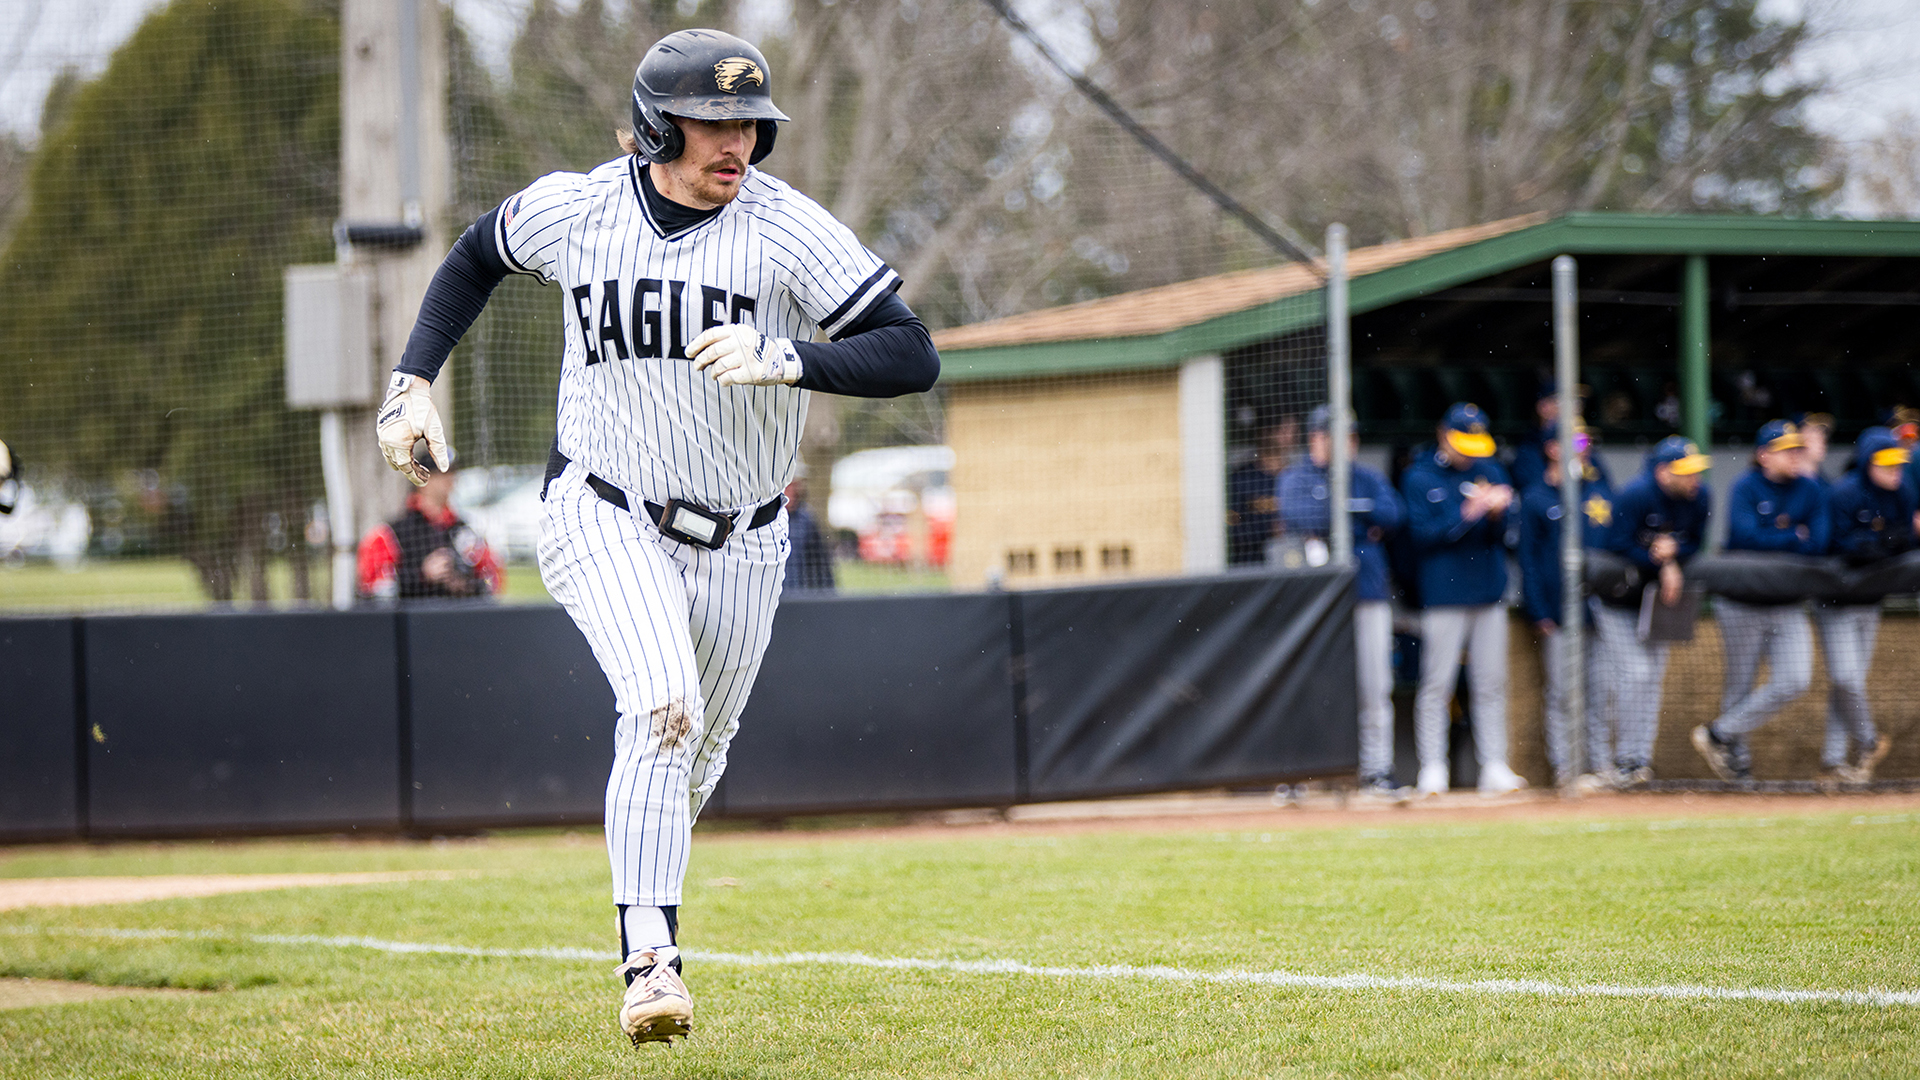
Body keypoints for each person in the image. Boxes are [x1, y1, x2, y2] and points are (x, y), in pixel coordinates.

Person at [372, 28, 939, 1047]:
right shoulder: (581, 210)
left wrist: (788, 359)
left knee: (699, 750)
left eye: (751, 124)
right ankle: (649, 962)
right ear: (651, 124)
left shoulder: (782, 229)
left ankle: (651, 900)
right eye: (713, 121)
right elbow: (473, 256)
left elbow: (911, 353)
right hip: (604, 508)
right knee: (663, 708)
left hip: (748, 536)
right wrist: (411, 381)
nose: (738, 142)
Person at [1400, 403, 1527, 797]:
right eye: (1463, 443)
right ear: (1443, 434)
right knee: (1437, 684)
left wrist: (1499, 514)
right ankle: (1433, 769)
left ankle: (1494, 766)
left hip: (1488, 590)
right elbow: (1421, 536)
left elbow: (1508, 534)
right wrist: (1469, 513)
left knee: (1490, 683)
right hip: (1444, 594)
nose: (1470, 453)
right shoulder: (1420, 475)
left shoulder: (1490, 469)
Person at [1278, 405, 1404, 796]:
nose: (1349, 444)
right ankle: (1298, 772)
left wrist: (1346, 512)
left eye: (1352, 437)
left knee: (1374, 686)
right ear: (1317, 438)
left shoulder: (1365, 476)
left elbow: (1394, 514)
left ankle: (1377, 769)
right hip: (1315, 604)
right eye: (1339, 436)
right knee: (1310, 686)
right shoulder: (1296, 476)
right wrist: (1359, 518)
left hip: (1367, 594)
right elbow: (1301, 516)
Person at [1693, 421, 1828, 782]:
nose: (1795, 455)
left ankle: (1719, 733)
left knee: (1795, 679)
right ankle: (1737, 767)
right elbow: (1745, 536)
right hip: (1742, 602)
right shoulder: (1746, 486)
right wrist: (1792, 535)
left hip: (1787, 601)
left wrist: (1779, 537)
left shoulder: (1811, 488)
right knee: (1739, 685)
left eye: (1798, 448)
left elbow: (1819, 543)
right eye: (1786, 450)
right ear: (1763, 455)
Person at [1596, 437, 1711, 786]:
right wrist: (1655, 557)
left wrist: (1673, 552)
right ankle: (1624, 761)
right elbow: (1614, 545)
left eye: (1695, 472)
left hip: (1660, 599)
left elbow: (1695, 541)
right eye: (1685, 473)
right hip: (1618, 599)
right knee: (1634, 675)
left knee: (1652, 678)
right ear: (1663, 472)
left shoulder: (1700, 496)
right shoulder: (1635, 495)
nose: (1694, 479)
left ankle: (1640, 760)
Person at [1515, 423, 1613, 787]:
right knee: (1562, 694)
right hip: (1557, 612)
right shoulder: (1537, 496)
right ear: (1553, 448)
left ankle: (1600, 765)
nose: (1584, 447)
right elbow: (1528, 559)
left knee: (1600, 693)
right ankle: (1566, 767)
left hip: (1599, 610)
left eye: (1586, 440)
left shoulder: (1597, 490)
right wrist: (1539, 609)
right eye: (1576, 441)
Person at [1817, 427, 1915, 783]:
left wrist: (1879, 542)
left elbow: (1905, 538)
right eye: (1886, 466)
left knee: (1850, 681)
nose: (1895, 472)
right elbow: (1841, 545)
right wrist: (1881, 542)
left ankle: (1833, 762)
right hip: (1836, 600)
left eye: (1898, 465)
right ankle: (1869, 740)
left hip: (1871, 602)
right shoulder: (1843, 492)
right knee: (1845, 678)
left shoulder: (1902, 492)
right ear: (1867, 464)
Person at [355, 446, 503, 603]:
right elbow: (374, 592)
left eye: (452, 472)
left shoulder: (464, 532)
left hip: (459, 621)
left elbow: (492, 582)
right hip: (412, 623)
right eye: (441, 473)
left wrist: (464, 584)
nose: (451, 478)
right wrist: (422, 575)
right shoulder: (389, 534)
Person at [1227, 424, 1288, 565]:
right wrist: (1268, 531)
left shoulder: (1298, 476)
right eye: (1282, 429)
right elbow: (1232, 528)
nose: (1289, 435)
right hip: (1252, 564)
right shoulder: (1242, 479)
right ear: (1264, 433)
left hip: (1293, 561)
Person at [782, 470, 835, 592]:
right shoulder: (762, 521)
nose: (791, 492)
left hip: (798, 598)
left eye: (795, 486)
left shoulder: (807, 520)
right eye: (788, 486)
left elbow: (821, 570)